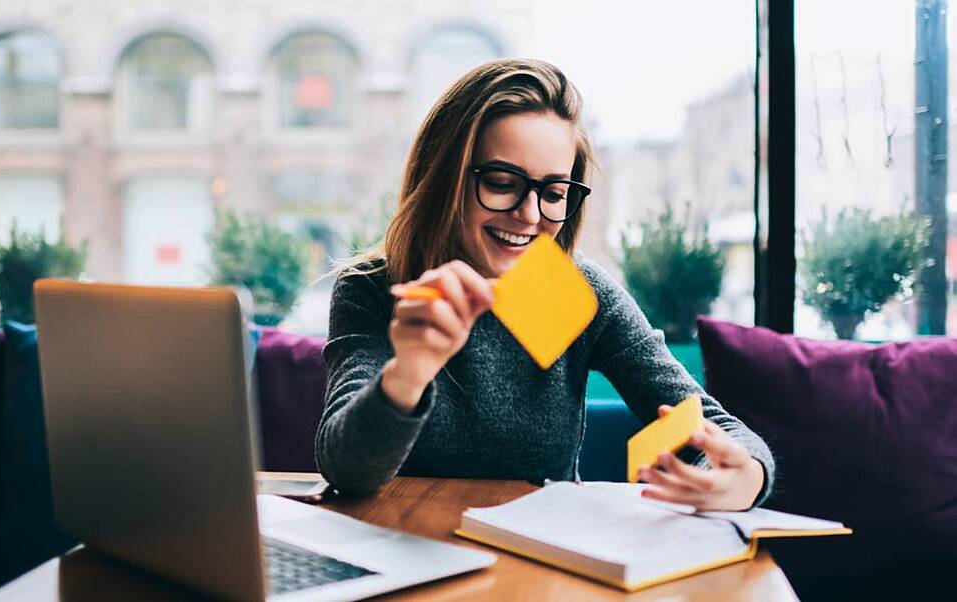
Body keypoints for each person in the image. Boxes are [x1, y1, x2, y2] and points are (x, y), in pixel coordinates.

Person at [315, 59, 773, 511]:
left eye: (554, 193)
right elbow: (347, 470)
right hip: (404, 552)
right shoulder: (376, 289)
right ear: (442, 178)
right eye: (500, 182)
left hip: (539, 566)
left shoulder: (574, 293)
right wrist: (409, 372)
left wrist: (745, 476)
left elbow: (706, 422)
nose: (530, 215)